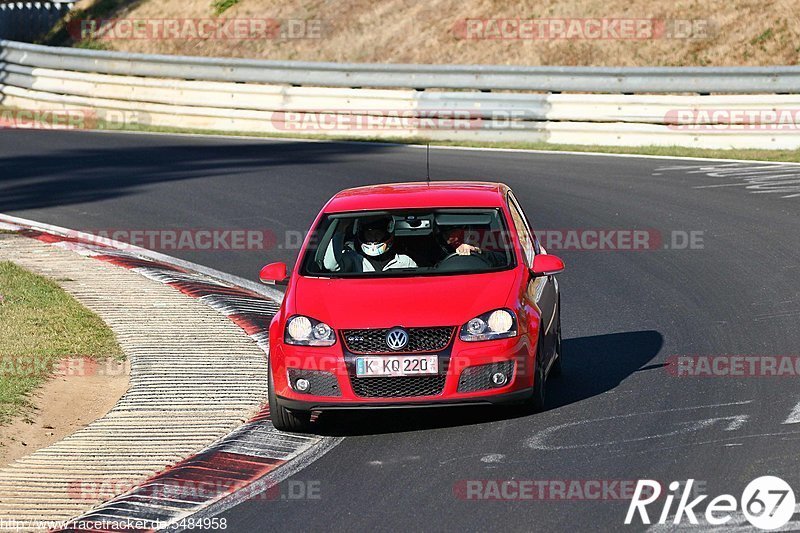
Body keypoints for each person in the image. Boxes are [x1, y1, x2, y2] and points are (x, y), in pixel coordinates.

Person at [323, 216, 417, 273]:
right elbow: (330, 265)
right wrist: (342, 229)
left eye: (377, 234)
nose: (373, 238)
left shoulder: (405, 262)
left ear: (387, 234)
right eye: (369, 234)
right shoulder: (354, 259)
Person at [438, 226, 507, 267]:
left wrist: (479, 251)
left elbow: (504, 260)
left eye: (452, 233)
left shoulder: (484, 238)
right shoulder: (438, 248)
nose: (449, 241)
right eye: (446, 235)